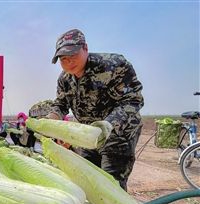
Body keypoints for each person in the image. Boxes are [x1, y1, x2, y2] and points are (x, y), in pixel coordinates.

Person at [47, 28, 144, 191]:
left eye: (73, 55)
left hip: (118, 134)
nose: (69, 62)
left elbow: (132, 101)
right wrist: (53, 119)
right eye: (63, 59)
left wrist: (105, 126)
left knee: (110, 186)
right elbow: (61, 103)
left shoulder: (114, 65)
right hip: (88, 137)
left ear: (85, 48)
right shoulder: (64, 79)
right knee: (88, 181)